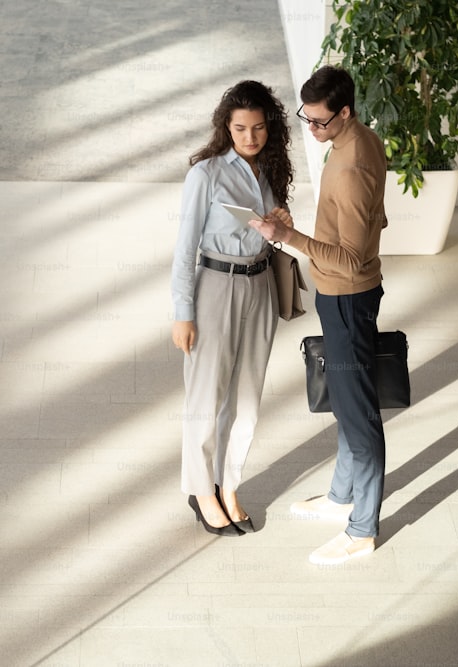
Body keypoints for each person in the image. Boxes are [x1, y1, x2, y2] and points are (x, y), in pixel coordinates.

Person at [249, 66, 387, 564]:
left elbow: (348, 256)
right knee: (349, 405)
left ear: (345, 112)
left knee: (359, 413)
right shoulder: (365, 139)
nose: (312, 129)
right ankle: (341, 498)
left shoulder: (350, 169)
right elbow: (372, 221)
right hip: (350, 293)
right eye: (307, 118)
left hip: (346, 295)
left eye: (320, 122)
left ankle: (362, 529)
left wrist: (289, 238)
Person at [171, 80, 294, 537]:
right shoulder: (204, 175)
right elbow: (184, 249)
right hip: (215, 287)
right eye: (241, 128)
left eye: (259, 128)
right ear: (227, 126)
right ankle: (202, 491)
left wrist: (281, 222)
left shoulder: (271, 168)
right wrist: (183, 312)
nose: (250, 138)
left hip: (260, 286)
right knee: (206, 397)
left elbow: (271, 227)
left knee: (246, 401)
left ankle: (229, 485)